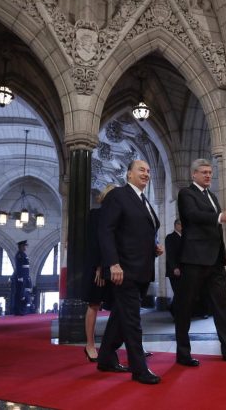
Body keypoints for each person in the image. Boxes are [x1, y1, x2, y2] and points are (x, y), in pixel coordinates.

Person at [174, 158, 226, 367]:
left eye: (210, 172)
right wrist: (219, 217)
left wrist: (223, 253)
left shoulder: (212, 196)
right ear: (194, 175)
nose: (208, 175)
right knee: (185, 307)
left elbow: (217, 231)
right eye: (203, 172)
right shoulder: (186, 194)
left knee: (221, 307)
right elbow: (192, 216)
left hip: (215, 260)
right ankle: (183, 353)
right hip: (194, 259)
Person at [96, 160, 163, 385]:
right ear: (128, 174)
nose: (146, 174)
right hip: (123, 270)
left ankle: (105, 357)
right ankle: (139, 369)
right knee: (133, 321)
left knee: (120, 317)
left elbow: (139, 232)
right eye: (141, 170)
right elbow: (106, 231)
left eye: (148, 171)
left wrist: (153, 248)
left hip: (142, 269)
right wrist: (112, 264)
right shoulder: (118, 196)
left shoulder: (143, 201)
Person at [83, 184, 116, 362]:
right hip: (98, 267)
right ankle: (89, 345)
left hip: (115, 266)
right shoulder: (96, 214)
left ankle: (114, 345)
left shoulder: (120, 216)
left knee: (120, 307)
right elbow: (95, 242)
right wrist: (99, 267)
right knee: (94, 304)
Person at [164, 219, 182, 316]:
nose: (182, 227)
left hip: (184, 270)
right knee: (178, 292)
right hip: (174, 270)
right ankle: (175, 313)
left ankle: (174, 310)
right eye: (180, 224)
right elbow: (170, 255)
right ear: (176, 225)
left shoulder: (185, 237)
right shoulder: (170, 237)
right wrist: (174, 267)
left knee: (181, 293)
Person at [11, 240, 32, 316]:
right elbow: (19, 267)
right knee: (20, 293)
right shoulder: (19, 255)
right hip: (21, 276)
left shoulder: (23, 254)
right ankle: (18, 310)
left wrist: (27, 277)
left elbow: (26, 267)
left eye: (25, 246)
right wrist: (20, 277)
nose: (25, 247)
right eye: (24, 246)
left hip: (25, 276)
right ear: (20, 246)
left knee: (23, 293)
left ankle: (22, 310)